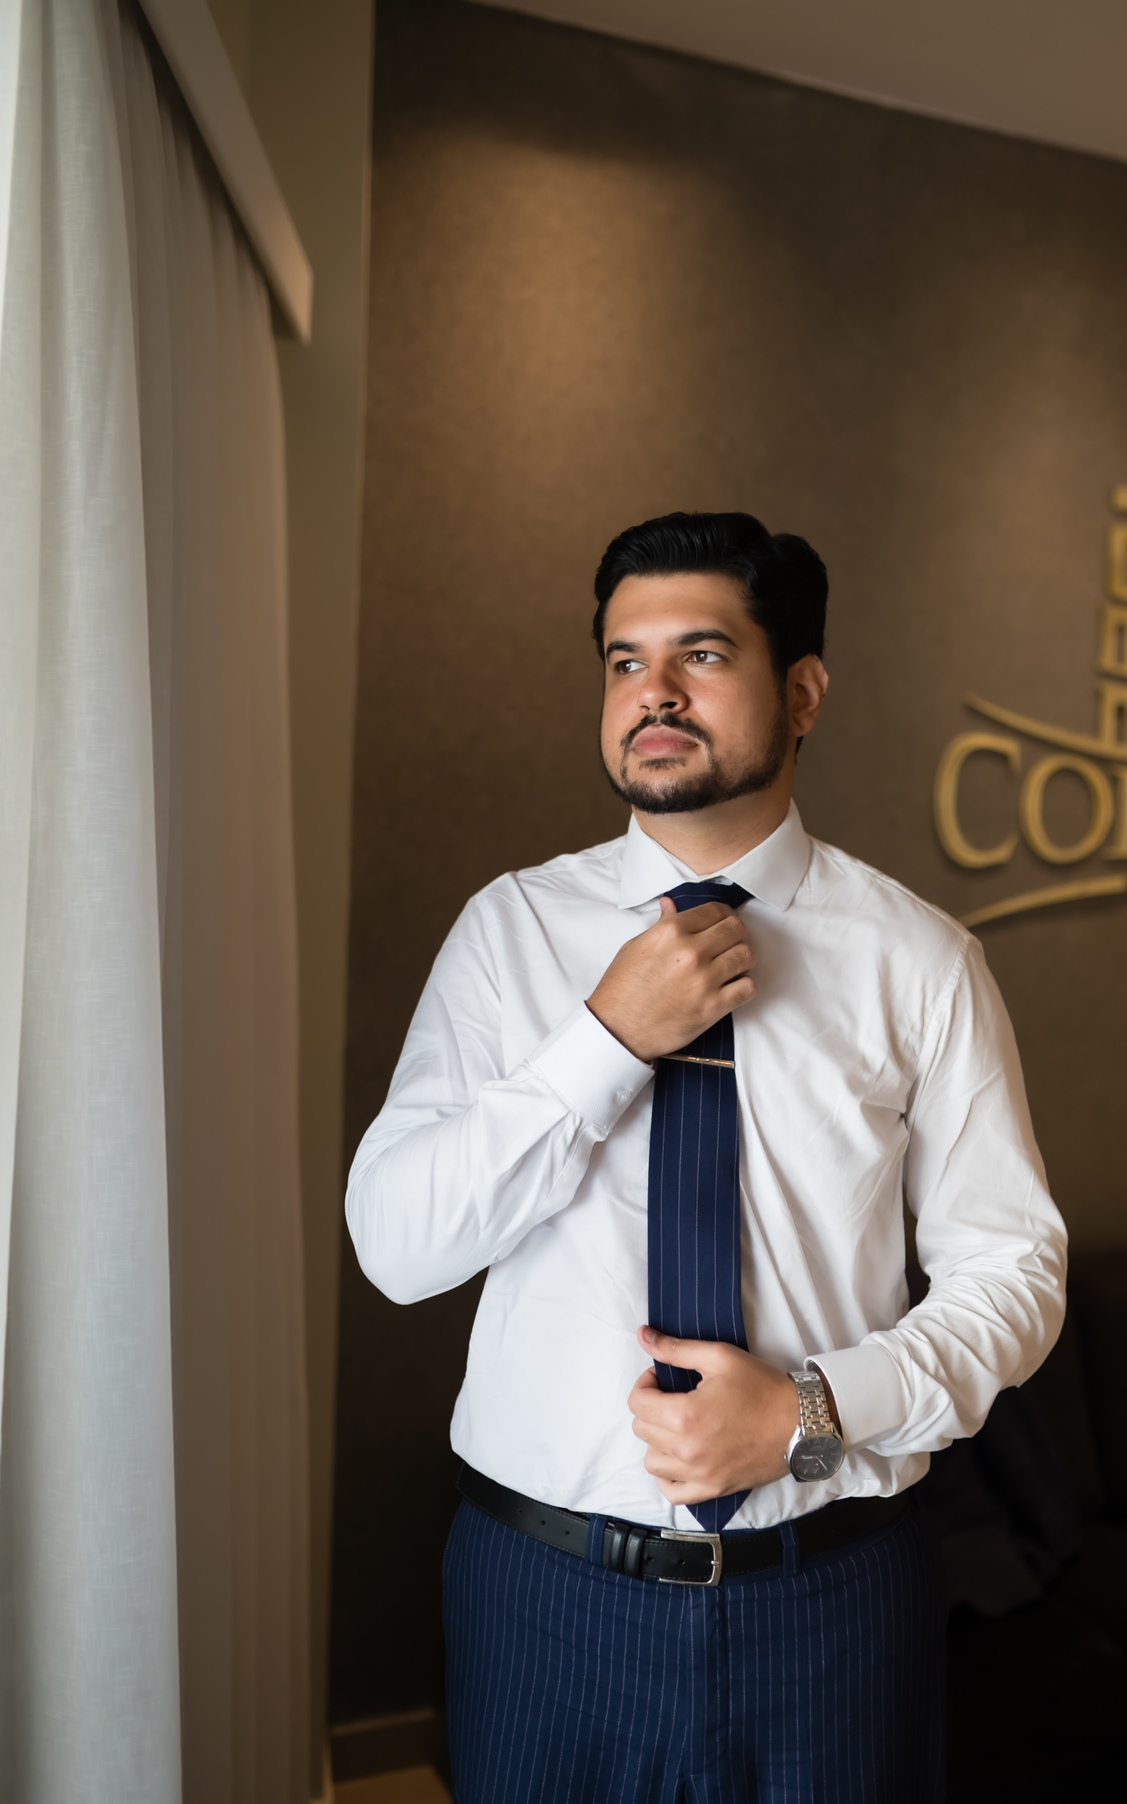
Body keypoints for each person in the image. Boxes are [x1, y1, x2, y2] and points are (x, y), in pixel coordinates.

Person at [346, 511, 1067, 1804]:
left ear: (805, 693)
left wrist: (811, 1413)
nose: (655, 693)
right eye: (625, 662)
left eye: (703, 654)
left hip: (835, 1593)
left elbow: (1014, 1274)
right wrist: (605, 1040)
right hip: (547, 1599)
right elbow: (399, 1249)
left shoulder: (921, 960)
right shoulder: (510, 933)